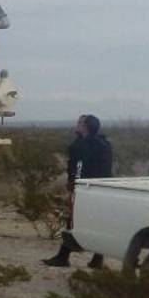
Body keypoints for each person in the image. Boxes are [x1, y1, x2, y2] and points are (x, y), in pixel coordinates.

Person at [43, 113, 113, 268]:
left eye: (80, 123)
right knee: (96, 223)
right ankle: (97, 258)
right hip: (102, 188)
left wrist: (74, 184)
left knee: (73, 221)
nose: (77, 125)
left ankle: (63, 257)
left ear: (85, 127)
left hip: (86, 189)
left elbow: (79, 167)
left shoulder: (82, 146)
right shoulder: (104, 144)